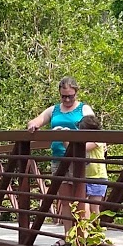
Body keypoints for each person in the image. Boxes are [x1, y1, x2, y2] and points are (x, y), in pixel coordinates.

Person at [27, 75, 94, 235]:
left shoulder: (84, 109)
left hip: (78, 159)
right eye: (64, 96)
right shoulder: (54, 109)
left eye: (70, 96)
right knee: (65, 200)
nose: (67, 100)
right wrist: (34, 125)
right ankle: (68, 236)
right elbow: (36, 120)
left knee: (81, 200)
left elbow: (95, 131)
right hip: (58, 158)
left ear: (76, 93)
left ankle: (84, 236)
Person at [75, 112, 108, 221]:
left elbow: (82, 147)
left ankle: (95, 232)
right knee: (82, 204)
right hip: (86, 177)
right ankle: (85, 231)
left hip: (98, 177)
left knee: (94, 207)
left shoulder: (98, 139)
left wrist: (67, 139)